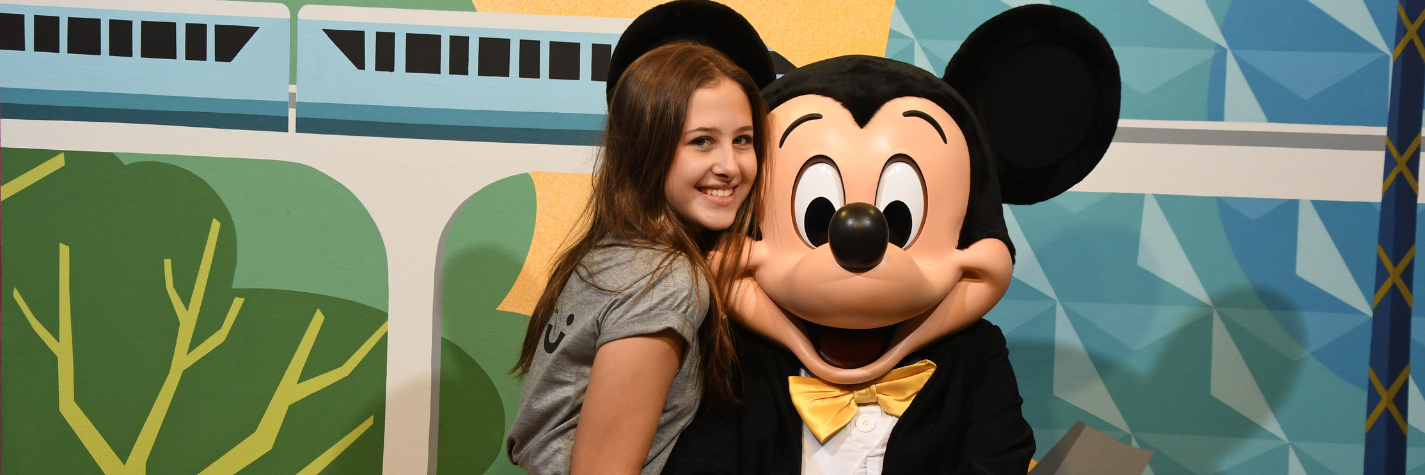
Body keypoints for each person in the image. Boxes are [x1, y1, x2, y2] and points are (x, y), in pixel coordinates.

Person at [505, 38, 770, 475]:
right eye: (702, 141)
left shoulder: (613, 254)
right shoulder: (665, 279)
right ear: (647, 149)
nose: (731, 165)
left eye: (743, 140)